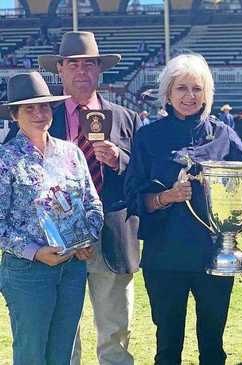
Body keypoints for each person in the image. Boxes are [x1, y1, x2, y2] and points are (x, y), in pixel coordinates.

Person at [124, 53, 242, 365]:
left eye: (197, 89)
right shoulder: (148, 137)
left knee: (213, 344)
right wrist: (166, 197)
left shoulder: (224, 135)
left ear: (207, 94)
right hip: (165, 258)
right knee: (167, 345)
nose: (189, 96)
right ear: (168, 93)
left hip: (214, 256)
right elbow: (134, 197)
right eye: (181, 88)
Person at [2, 31, 142, 365]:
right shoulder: (31, 128)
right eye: (73, 65)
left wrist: (119, 160)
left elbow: (144, 175)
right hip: (47, 251)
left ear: (99, 69)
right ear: (60, 71)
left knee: (115, 330)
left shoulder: (125, 117)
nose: (81, 72)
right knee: (62, 336)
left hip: (108, 238)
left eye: (89, 64)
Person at [0, 71, 103, 365]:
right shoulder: (5, 159)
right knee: (32, 354)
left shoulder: (72, 153)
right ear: (15, 114)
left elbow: (92, 203)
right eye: (29, 108)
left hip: (71, 269)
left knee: (63, 353)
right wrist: (34, 252)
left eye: (43, 106)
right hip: (28, 273)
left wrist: (87, 238)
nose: (38, 113)